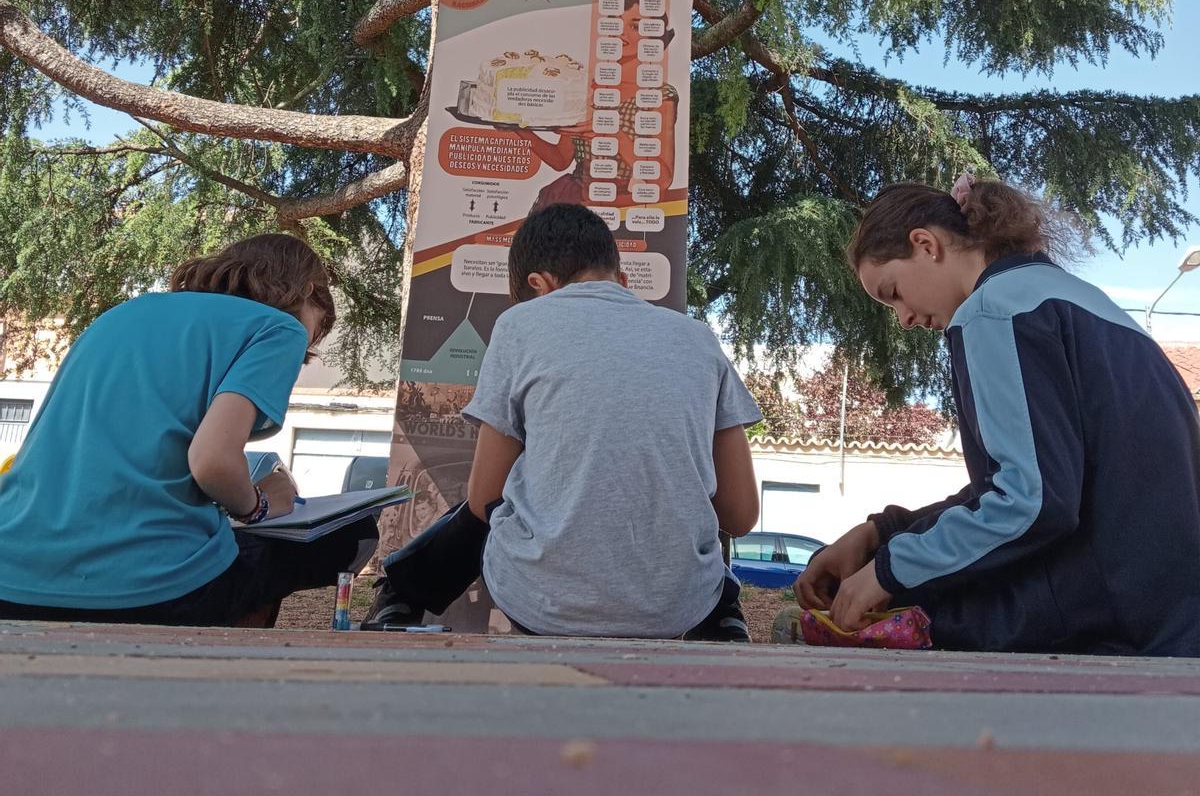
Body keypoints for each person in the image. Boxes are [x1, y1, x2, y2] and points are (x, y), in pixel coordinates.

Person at [796, 175, 1200, 655]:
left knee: (900, 607)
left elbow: (1030, 503)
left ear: (925, 244)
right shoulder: (1072, 298)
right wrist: (882, 534)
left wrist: (888, 571)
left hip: (1114, 624)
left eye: (894, 292)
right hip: (1167, 610)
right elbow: (1038, 480)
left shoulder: (993, 312)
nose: (903, 318)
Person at [364, 203, 762, 639]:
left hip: (542, 605)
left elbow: (484, 499)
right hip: (679, 607)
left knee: (496, 506)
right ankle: (725, 616)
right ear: (623, 281)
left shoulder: (520, 324)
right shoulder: (698, 338)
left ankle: (398, 598)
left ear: (538, 286)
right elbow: (740, 515)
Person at [0, 234, 378, 627]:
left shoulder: (125, 313)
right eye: (309, 345)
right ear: (309, 292)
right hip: (144, 590)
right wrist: (262, 503)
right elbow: (211, 461)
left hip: (11, 576)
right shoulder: (279, 328)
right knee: (350, 532)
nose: (300, 360)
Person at [518, 0, 680, 212]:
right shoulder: (588, 89)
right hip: (571, 198)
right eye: (616, 24)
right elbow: (561, 160)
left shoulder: (660, 96)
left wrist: (613, 134)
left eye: (635, 27)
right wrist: (517, 129)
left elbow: (662, 179)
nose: (621, 33)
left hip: (622, 205)